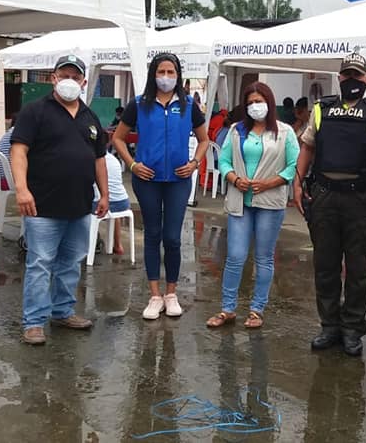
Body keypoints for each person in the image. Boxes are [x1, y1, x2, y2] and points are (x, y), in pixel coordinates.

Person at [292, 52, 366, 357]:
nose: (352, 80)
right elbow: (307, 148)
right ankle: (329, 326)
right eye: (347, 75)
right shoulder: (322, 109)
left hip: (360, 199)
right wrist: (297, 183)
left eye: (357, 75)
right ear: (339, 77)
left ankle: (352, 329)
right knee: (325, 265)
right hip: (324, 196)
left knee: (358, 269)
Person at [11, 54, 109, 345]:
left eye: (75, 77)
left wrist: (104, 194)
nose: (69, 81)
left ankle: (63, 311)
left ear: (84, 82)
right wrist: (21, 189)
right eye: (64, 75)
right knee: (40, 263)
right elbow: (18, 151)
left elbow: (99, 159)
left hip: (79, 205)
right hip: (42, 204)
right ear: (53, 78)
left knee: (71, 262)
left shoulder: (90, 117)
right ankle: (33, 322)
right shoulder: (35, 111)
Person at [111, 52, 210, 320]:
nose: (166, 77)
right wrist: (132, 164)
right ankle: (155, 296)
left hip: (178, 180)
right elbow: (118, 138)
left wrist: (194, 163)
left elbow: (204, 139)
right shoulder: (139, 104)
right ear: (153, 74)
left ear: (178, 75)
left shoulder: (189, 105)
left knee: (173, 238)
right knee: (153, 234)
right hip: (147, 180)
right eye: (161, 72)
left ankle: (171, 294)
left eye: (171, 72)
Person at [206, 82, 299, 329]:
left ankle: (257, 310)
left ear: (269, 102)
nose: (255, 106)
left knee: (263, 257)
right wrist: (235, 179)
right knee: (235, 256)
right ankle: (227, 309)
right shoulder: (237, 130)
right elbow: (224, 161)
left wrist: (269, 183)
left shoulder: (285, 132)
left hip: (270, 202)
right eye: (250, 103)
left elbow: (294, 166)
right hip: (240, 201)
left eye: (259, 101)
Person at [93, 148, 131, 254]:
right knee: (115, 213)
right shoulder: (114, 160)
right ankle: (118, 245)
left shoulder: (92, 159)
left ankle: (92, 241)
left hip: (101, 203)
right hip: (122, 202)